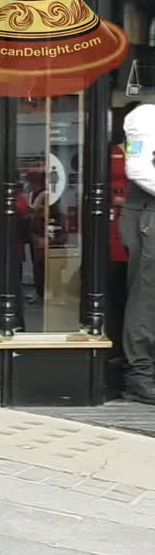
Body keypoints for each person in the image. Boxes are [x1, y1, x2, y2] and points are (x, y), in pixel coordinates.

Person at [120, 103, 155, 405]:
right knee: (147, 295)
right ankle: (139, 375)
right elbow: (137, 168)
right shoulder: (145, 116)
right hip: (149, 215)